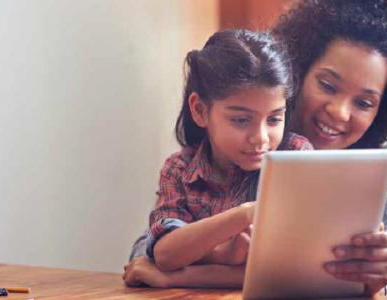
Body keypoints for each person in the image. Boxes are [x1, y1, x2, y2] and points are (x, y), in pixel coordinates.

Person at [123, 0, 387, 298]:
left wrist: (374, 287)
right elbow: (148, 249)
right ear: (297, 75)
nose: (340, 112)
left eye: (364, 102)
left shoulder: (383, 171)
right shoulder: (241, 150)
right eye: (328, 85)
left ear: (382, 110)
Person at [123, 28, 313, 285]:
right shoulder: (179, 169)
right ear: (200, 110)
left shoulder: (297, 158)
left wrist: (185, 275)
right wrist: (244, 216)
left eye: (274, 119)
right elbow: (165, 254)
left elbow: (299, 270)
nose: (261, 137)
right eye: (241, 120)